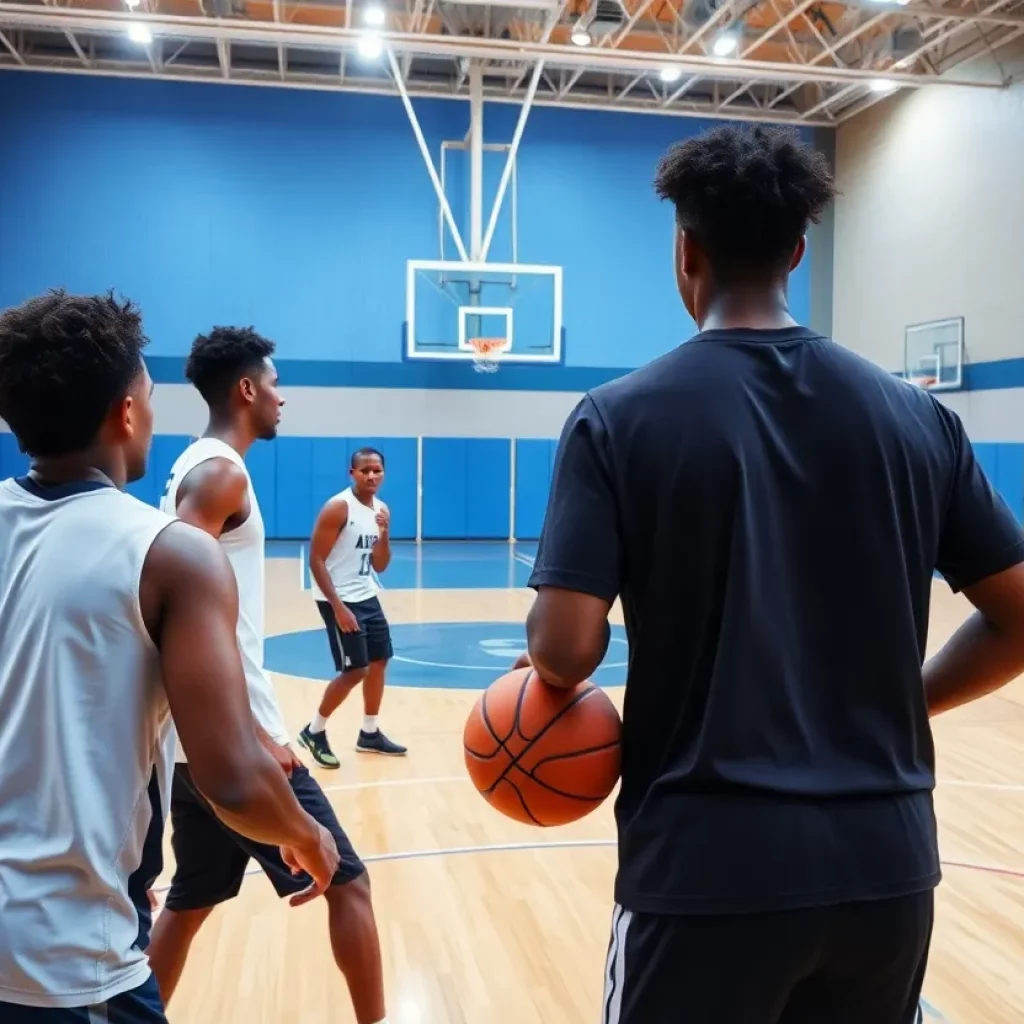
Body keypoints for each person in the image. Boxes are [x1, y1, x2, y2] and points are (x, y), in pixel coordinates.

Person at [517, 125, 1024, 1024]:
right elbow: (1019, 618)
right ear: (797, 249)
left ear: (685, 249)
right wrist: (910, 696)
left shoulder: (614, 420)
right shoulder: (920, 420)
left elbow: (565, 650)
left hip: (707, 866)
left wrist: (542, 666)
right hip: (888, 865)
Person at [0, 292, 338, 1023]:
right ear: (126, 412)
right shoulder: (173, 554)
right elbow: (232, 780)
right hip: (62, 960)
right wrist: (309, 837)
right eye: (150, 398)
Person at [146, 327, 389, 1024]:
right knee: (349, 885)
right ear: (246, 390)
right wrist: (252, 731)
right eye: (275, 384)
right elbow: (175, 607)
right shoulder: (221, 472)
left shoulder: (194, 463)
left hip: (193, 741)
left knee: (191, 901)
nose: (284, 397)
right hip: (233, 737)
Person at [299, 447, 406, 768]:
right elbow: (315, 560)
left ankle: (369, 733)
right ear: (352, 474)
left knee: (379, 661)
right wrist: (338, 607)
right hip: (338, 598)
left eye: (377, 471)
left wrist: (385, 534)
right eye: (365, 471)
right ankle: (314, 731)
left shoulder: (381, 510)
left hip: (366, 595)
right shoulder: (338, 508)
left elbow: (381, 565)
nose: (372, 476)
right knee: (355, 669)